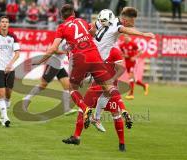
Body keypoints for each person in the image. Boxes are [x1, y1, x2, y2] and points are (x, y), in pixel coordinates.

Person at [32, 4, 133, 132]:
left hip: (79, 60)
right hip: (94, 55)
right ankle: (123, 108)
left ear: (62, 16)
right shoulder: (82, 21)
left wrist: (40, 61)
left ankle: (85, 109)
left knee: (72, 88)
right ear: (74, 13)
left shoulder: (62, 27)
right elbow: (93, 31)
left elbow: (52, 49)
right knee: (108, 86)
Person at [62, 8, 155, 146]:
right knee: (106, 89)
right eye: (132, 21)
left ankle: (89, 124)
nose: (133, 24)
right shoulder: (117, 25)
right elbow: (126, 30)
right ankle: (103, 115)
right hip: (95, 63)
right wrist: (143, 34)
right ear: (125, 19)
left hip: (87, 59)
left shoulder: (104, 23)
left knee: (102, 91)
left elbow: (92, 27)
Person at [23, 40, 77, 115]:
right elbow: (54, 50)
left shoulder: (71, 40)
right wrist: (65, 52)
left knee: (67, 86)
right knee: (43, 85)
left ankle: (66, 109)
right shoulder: (61, 40)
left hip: (60, 65)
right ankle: (26, 98)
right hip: (53, 64)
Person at [119, 35, 149, 100]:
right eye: (124, 37)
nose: (126, 38)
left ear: (129, 37)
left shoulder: (133, 44)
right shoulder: (122, 45)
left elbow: (140, 52)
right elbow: (122, 54)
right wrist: (124, 55)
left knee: (131, 77)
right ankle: (145, 85)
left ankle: (131, 94)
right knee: (134, 79)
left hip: (133, 62)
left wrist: (135, 57)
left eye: (127, 36)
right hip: (127, 63)